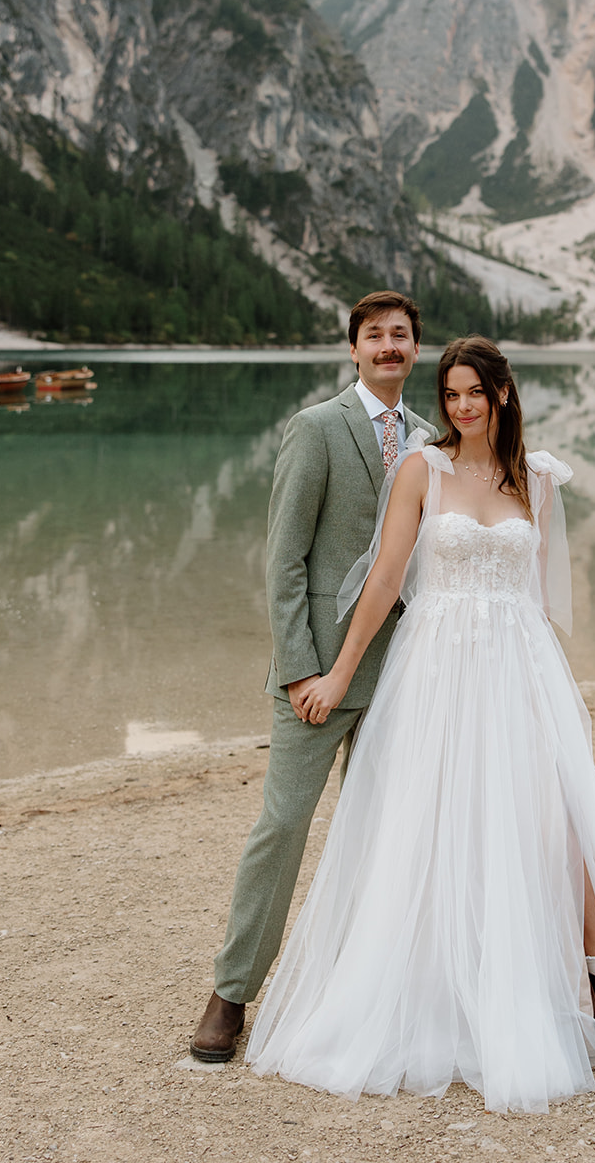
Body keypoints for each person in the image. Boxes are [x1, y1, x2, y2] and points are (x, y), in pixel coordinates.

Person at [245, 335, 595, 1114]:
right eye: (449, 394)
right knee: (434, 822)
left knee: (557, 815)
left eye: (473, 392)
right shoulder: (422, 468)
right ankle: (443, 987)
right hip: (437, 667)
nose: (460, 406)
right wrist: (339, 671)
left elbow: (544, 597)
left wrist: (551, 688)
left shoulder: (537, 479)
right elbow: (383, 580)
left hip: (516, 666)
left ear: (502, 394)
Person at [189, 291, 437, 1063]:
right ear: (353, 350)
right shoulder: (318, 427)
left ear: (415, 349)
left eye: (400, 336)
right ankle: (230, 995)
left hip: (402, 676)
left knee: (388, 834)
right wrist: (300, 668)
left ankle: (365, 986)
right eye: (374, 337)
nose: (388, 347)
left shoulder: (431, 441)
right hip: (318, 681)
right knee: (282, 827)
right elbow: (283, 560)